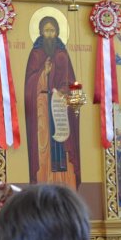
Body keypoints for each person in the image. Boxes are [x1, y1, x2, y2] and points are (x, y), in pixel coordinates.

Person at [24, 15, 81, 187]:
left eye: (52, 30)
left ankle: (66, 184)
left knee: (64, 145)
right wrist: (44, 73)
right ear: (41, 32)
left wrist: (66, 93)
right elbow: (29, 85)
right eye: (46, 30)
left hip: (61, 107)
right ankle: (43, 182)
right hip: (42, 106)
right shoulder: (35, 54)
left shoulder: (63, 54)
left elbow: (71, 82)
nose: (49, 34)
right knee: (44, 145)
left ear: (57, 32)